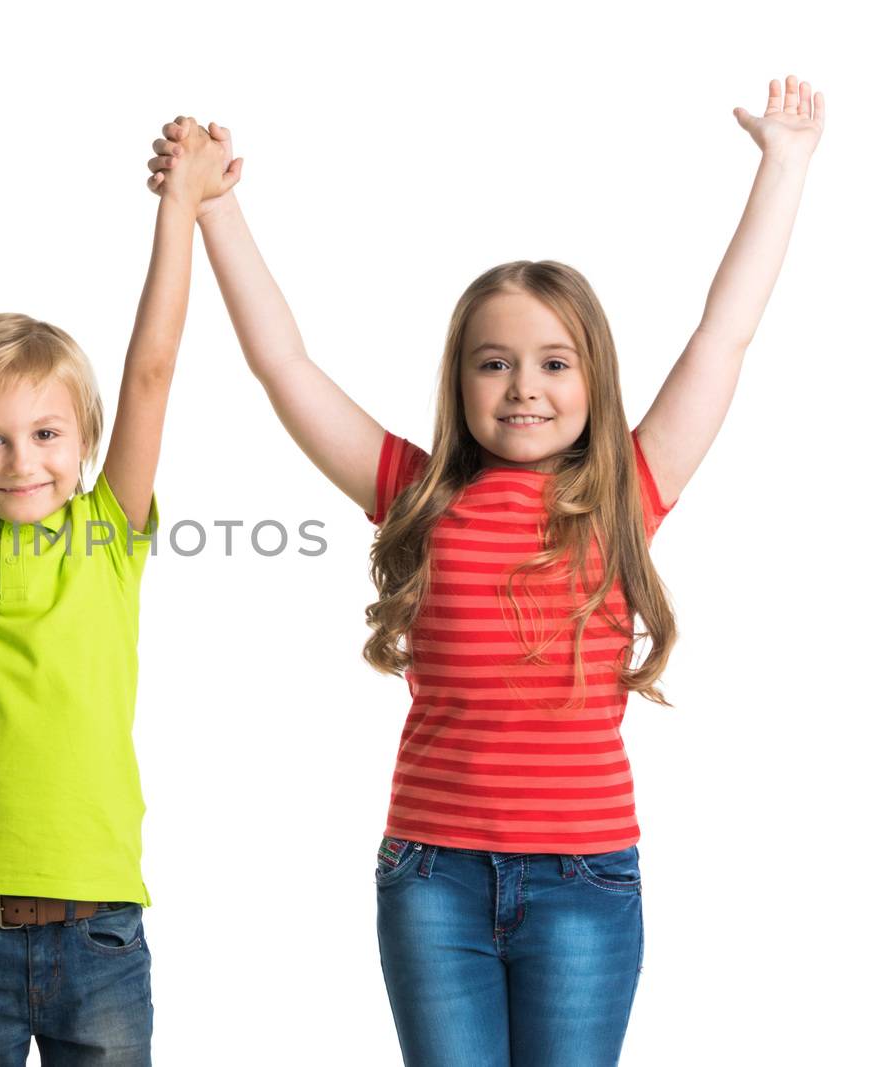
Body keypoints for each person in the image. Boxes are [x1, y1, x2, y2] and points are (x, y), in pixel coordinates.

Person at [147, 76, 823, 1066]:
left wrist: (785, 166)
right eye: (492, 362)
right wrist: (217, 207)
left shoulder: (629, 489)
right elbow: (284, 364)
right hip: (433, 879)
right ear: (457, 379)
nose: (523, 387)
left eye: (554, 362)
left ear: (594, 376)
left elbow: (722, 339)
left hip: (584, 882)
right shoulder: (415, 493)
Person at [0, 119, 232, 1065]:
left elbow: (153, 368)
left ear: (85, 440)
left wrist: (178, 208)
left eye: (47, 434)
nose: (22, 461)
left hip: (97, 928)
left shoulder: (108, 533)